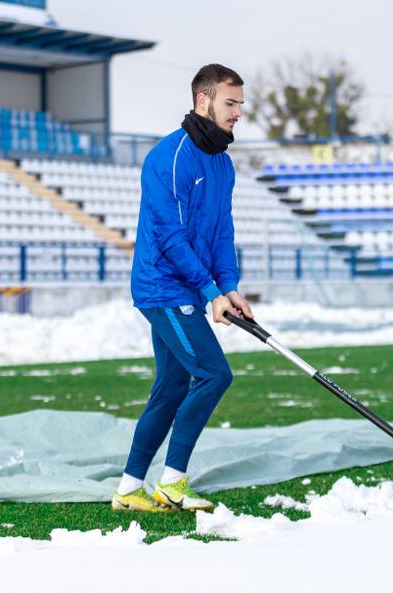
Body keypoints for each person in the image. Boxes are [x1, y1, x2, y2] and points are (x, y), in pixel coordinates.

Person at [112, 64, 253, 512]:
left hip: (191, 289)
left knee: (172, 387)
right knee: (214, 374)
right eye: (230, 103)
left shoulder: (222, 163)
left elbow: (222, 232)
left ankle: (129, 489)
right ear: (203, 101)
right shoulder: (167, 158)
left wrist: (228, 286)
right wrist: (210, 292)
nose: (237, 114)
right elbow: (170, 237)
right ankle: (172, 482)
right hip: (163, 287)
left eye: (240, 105)